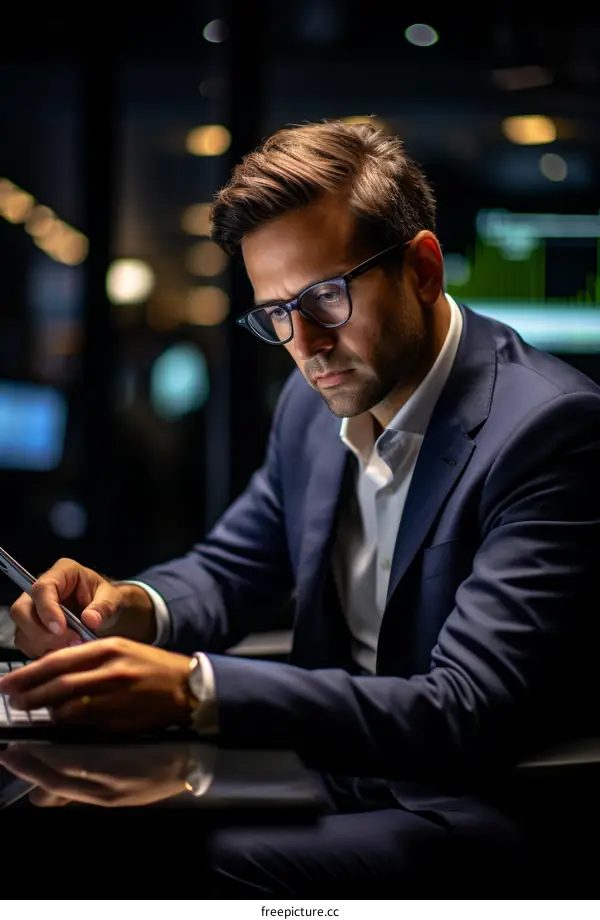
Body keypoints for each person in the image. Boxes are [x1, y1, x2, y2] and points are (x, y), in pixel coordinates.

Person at [2, 120, 600, 894]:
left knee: (172, 865)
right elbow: (231, 569)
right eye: (277, 312)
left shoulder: (551, 429)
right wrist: (127, 608)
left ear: (422, 268)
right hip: (333, 771)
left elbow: (464, 708)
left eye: (325, 297)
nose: (306, 344)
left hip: (469, 805)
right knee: (72, 823)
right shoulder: (311, 402)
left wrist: (195, 689)